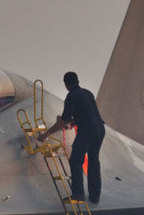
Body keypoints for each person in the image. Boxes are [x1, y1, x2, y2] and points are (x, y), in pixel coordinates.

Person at [37, 71, 106, 203]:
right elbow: (87, 113)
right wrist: (73, 122)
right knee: (93, 160)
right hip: (100, 129)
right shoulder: (87, 93)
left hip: (87, 131)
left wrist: (46, 134)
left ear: (66, 84)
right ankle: (95, 195)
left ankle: (78, 194)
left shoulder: (72, 96)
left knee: (75, 160)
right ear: (78, 82)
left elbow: (63, 121)